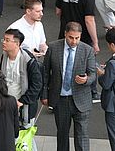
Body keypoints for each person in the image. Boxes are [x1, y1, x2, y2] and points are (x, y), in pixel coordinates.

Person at [41, 22, 96, 151]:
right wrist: (44, 95)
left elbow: (93, 74)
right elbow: (45, 73)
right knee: (62, 135)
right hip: (60, 100)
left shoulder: (87, 50)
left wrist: (86, 79)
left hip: (81, 100)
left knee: (82, 137)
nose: (74, 41)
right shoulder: (54, 48)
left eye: (77, 38)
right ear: (65, 34)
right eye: (71, 37)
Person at [0, 29, 43, 128]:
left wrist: (22, 101)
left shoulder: (29, 61)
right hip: (6, 104)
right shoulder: (4, 57)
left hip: (24, 106)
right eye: (4, 39)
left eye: (7, 40)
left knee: (25, 139)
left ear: (17, 43)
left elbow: (37, 85)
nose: (4, 42)